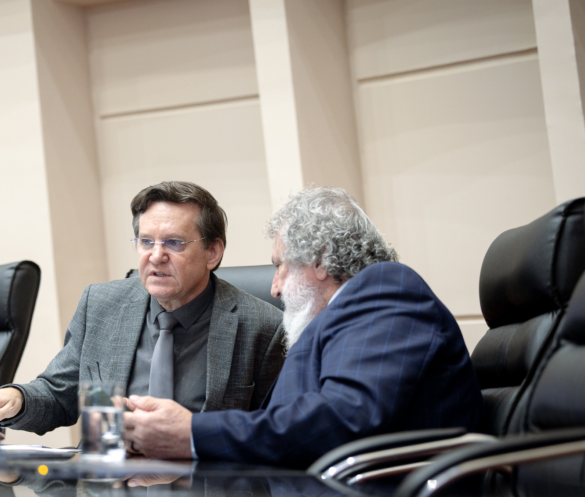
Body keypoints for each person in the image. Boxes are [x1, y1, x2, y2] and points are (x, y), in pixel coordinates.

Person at [124, 187, 483, 468]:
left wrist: (191, 433)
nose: (274, 288)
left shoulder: (386, 293)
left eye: (280, 266)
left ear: (321, 260)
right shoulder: (345, 314)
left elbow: (342, 417)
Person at [0, 181, 286, 435]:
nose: (156, 256)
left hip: (203, 483)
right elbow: (58, 393)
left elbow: (272, 433)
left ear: (213, 252)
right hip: (112, 480)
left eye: (174, 243)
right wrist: (17, 398)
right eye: (146, 242)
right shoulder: (101, 305)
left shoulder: (262, 327)